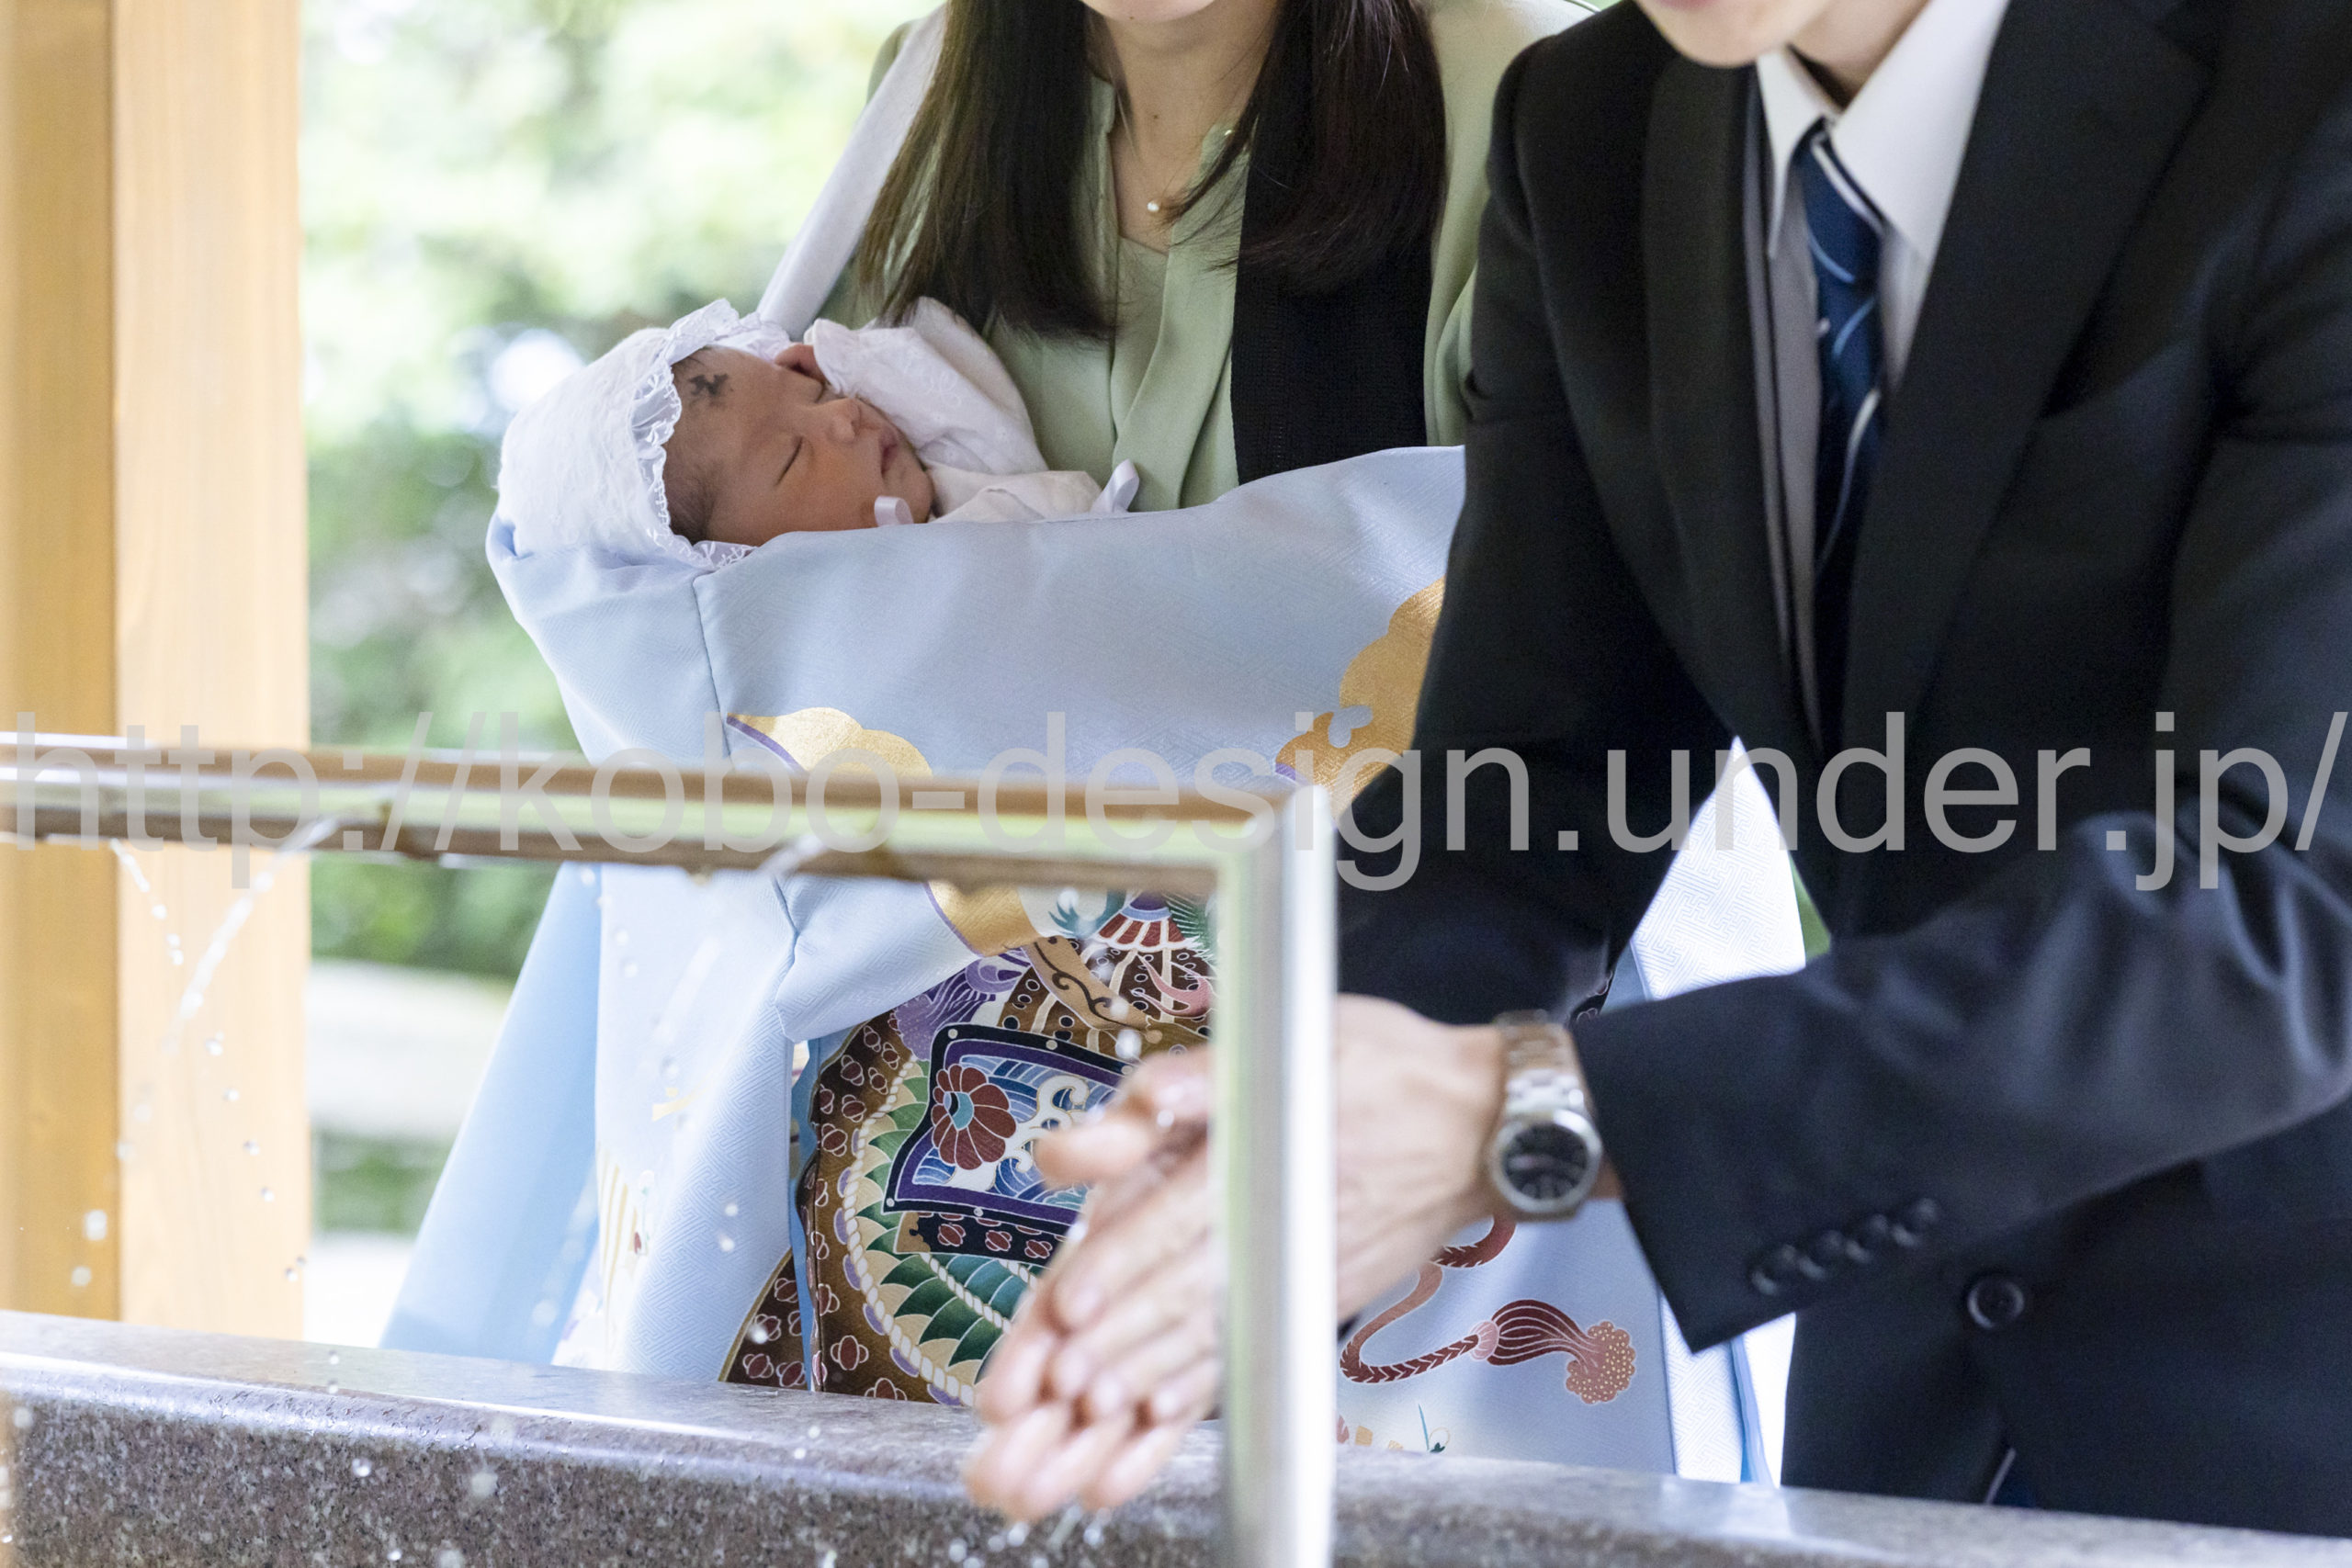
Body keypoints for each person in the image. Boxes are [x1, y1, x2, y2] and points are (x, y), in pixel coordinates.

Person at [966, 0, 2352, 1536]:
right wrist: (1279, 1137)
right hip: (1907, 1394)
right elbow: (1530, 794)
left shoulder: (2308, 94)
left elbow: (2290, 907)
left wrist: (1528, 1113)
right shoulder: (1595, 130)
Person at [720, 0, 1600, 1416]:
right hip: (971, 1054)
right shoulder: (933, 92)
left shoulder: (1510, 90)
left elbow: (1572, 644)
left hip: (1398, 988)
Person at [496, 296, 1133, 558]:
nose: (844, 416)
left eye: (814, 389)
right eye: (793, 456)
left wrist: (836, 362)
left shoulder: (952, 470)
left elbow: (932, 364)